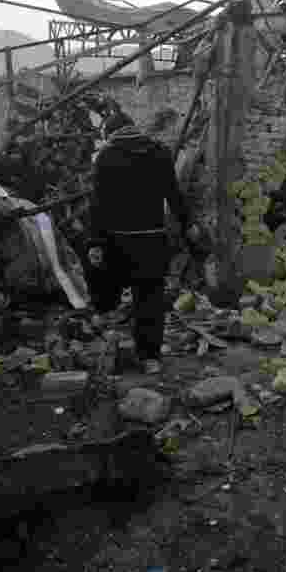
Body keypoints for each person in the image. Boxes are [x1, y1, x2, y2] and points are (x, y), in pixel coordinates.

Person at [87, 112, 199, 375]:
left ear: (110, 132)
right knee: (149, 298)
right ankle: (150, 358)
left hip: (117, 240)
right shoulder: (159, 152)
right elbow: (174, 194)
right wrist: (188, 224)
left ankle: (109, 344)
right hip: (151, 240)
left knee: (107, 292)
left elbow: (98, 204)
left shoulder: (106, 156)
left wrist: (95, 242)